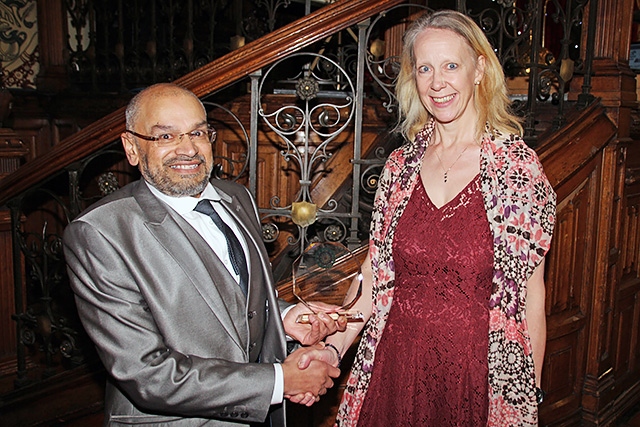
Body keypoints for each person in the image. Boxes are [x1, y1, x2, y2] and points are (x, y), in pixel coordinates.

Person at [298, 9, 557, 426]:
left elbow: (530, 298)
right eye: (425, 68)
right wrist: (332, 349)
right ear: (412, 79)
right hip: (394, 369)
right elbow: (374, 281)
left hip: (477, 378)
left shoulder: (517, 171)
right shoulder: (399, 168)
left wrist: (526, 402)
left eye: (451, 65)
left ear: (479, 70)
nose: (438, 83)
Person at [63, 82, 346, 426]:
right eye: (166, 137)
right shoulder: (100, 233)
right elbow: (146, 372)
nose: (188, 149)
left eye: (197, 132)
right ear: (132, 148)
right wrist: (280, 382)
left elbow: (235, 298)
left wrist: (284, 318)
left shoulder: (236, 198)